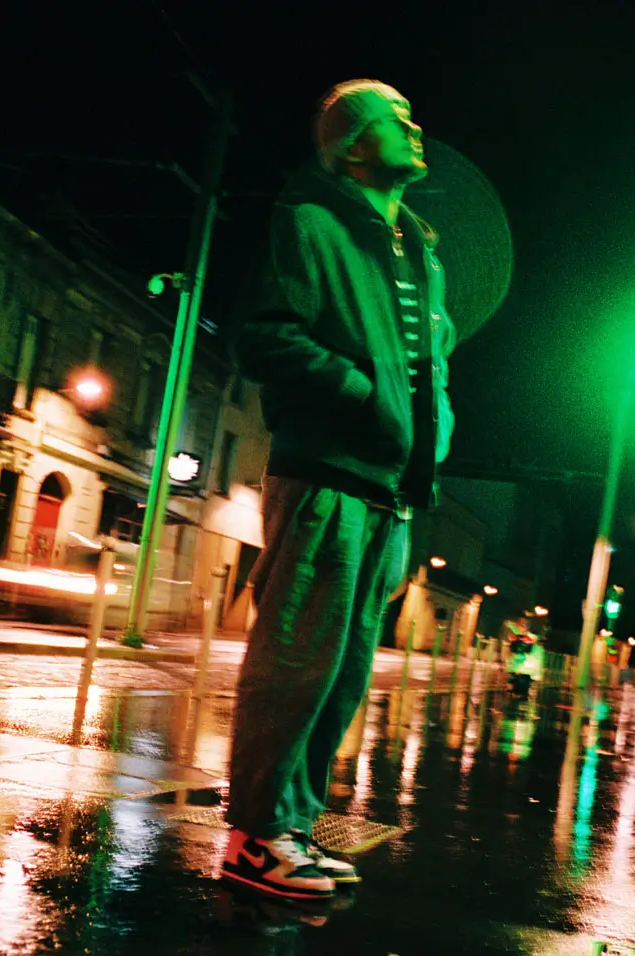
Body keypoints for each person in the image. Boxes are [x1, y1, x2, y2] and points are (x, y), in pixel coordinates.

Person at [222, 79, 456, 900]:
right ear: (352, 145)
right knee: (295, 661)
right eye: (397, 118)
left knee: (343, 673)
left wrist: (433, 430)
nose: (415, 126)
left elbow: (430, 368)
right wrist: (363, 396)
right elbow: (265, 339)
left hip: (391, 490)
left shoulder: (418, 250)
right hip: (325, 475)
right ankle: (254, 838)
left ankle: (290, 826)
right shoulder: (311, 224)